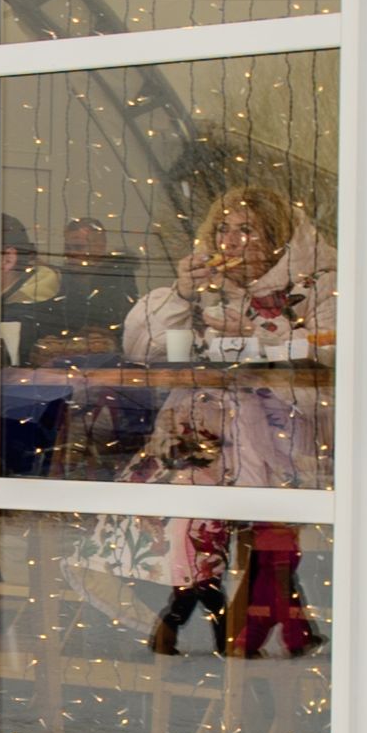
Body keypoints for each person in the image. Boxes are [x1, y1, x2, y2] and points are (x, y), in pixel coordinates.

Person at [120, 182, 332, 657]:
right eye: (223, 230)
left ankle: (222, 622)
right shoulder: (203, 288)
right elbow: (138, 346)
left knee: (252, 521)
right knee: (180, 513)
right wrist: (180, 293)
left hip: (283, 430)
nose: (230, 242)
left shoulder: (314, 283)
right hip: (202, 431)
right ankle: (220, 617)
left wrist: (261, 332)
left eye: (246, 230)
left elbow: (336, 351)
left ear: (276, 238)